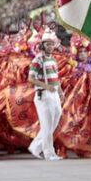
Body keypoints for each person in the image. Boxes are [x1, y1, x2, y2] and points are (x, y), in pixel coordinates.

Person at [28, 30, 65, 161]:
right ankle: (49, 153)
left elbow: (56, 77)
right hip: (43, 95)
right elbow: (31, 78)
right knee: (47, 125)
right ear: (43, 45)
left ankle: (35, 147)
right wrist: (45, 86)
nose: (50, 47)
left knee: (53, 123)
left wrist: (60, 92)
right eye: (48, 44)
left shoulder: (53, 59)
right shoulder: (38, 59)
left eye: (52, 44)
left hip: (54, 94)